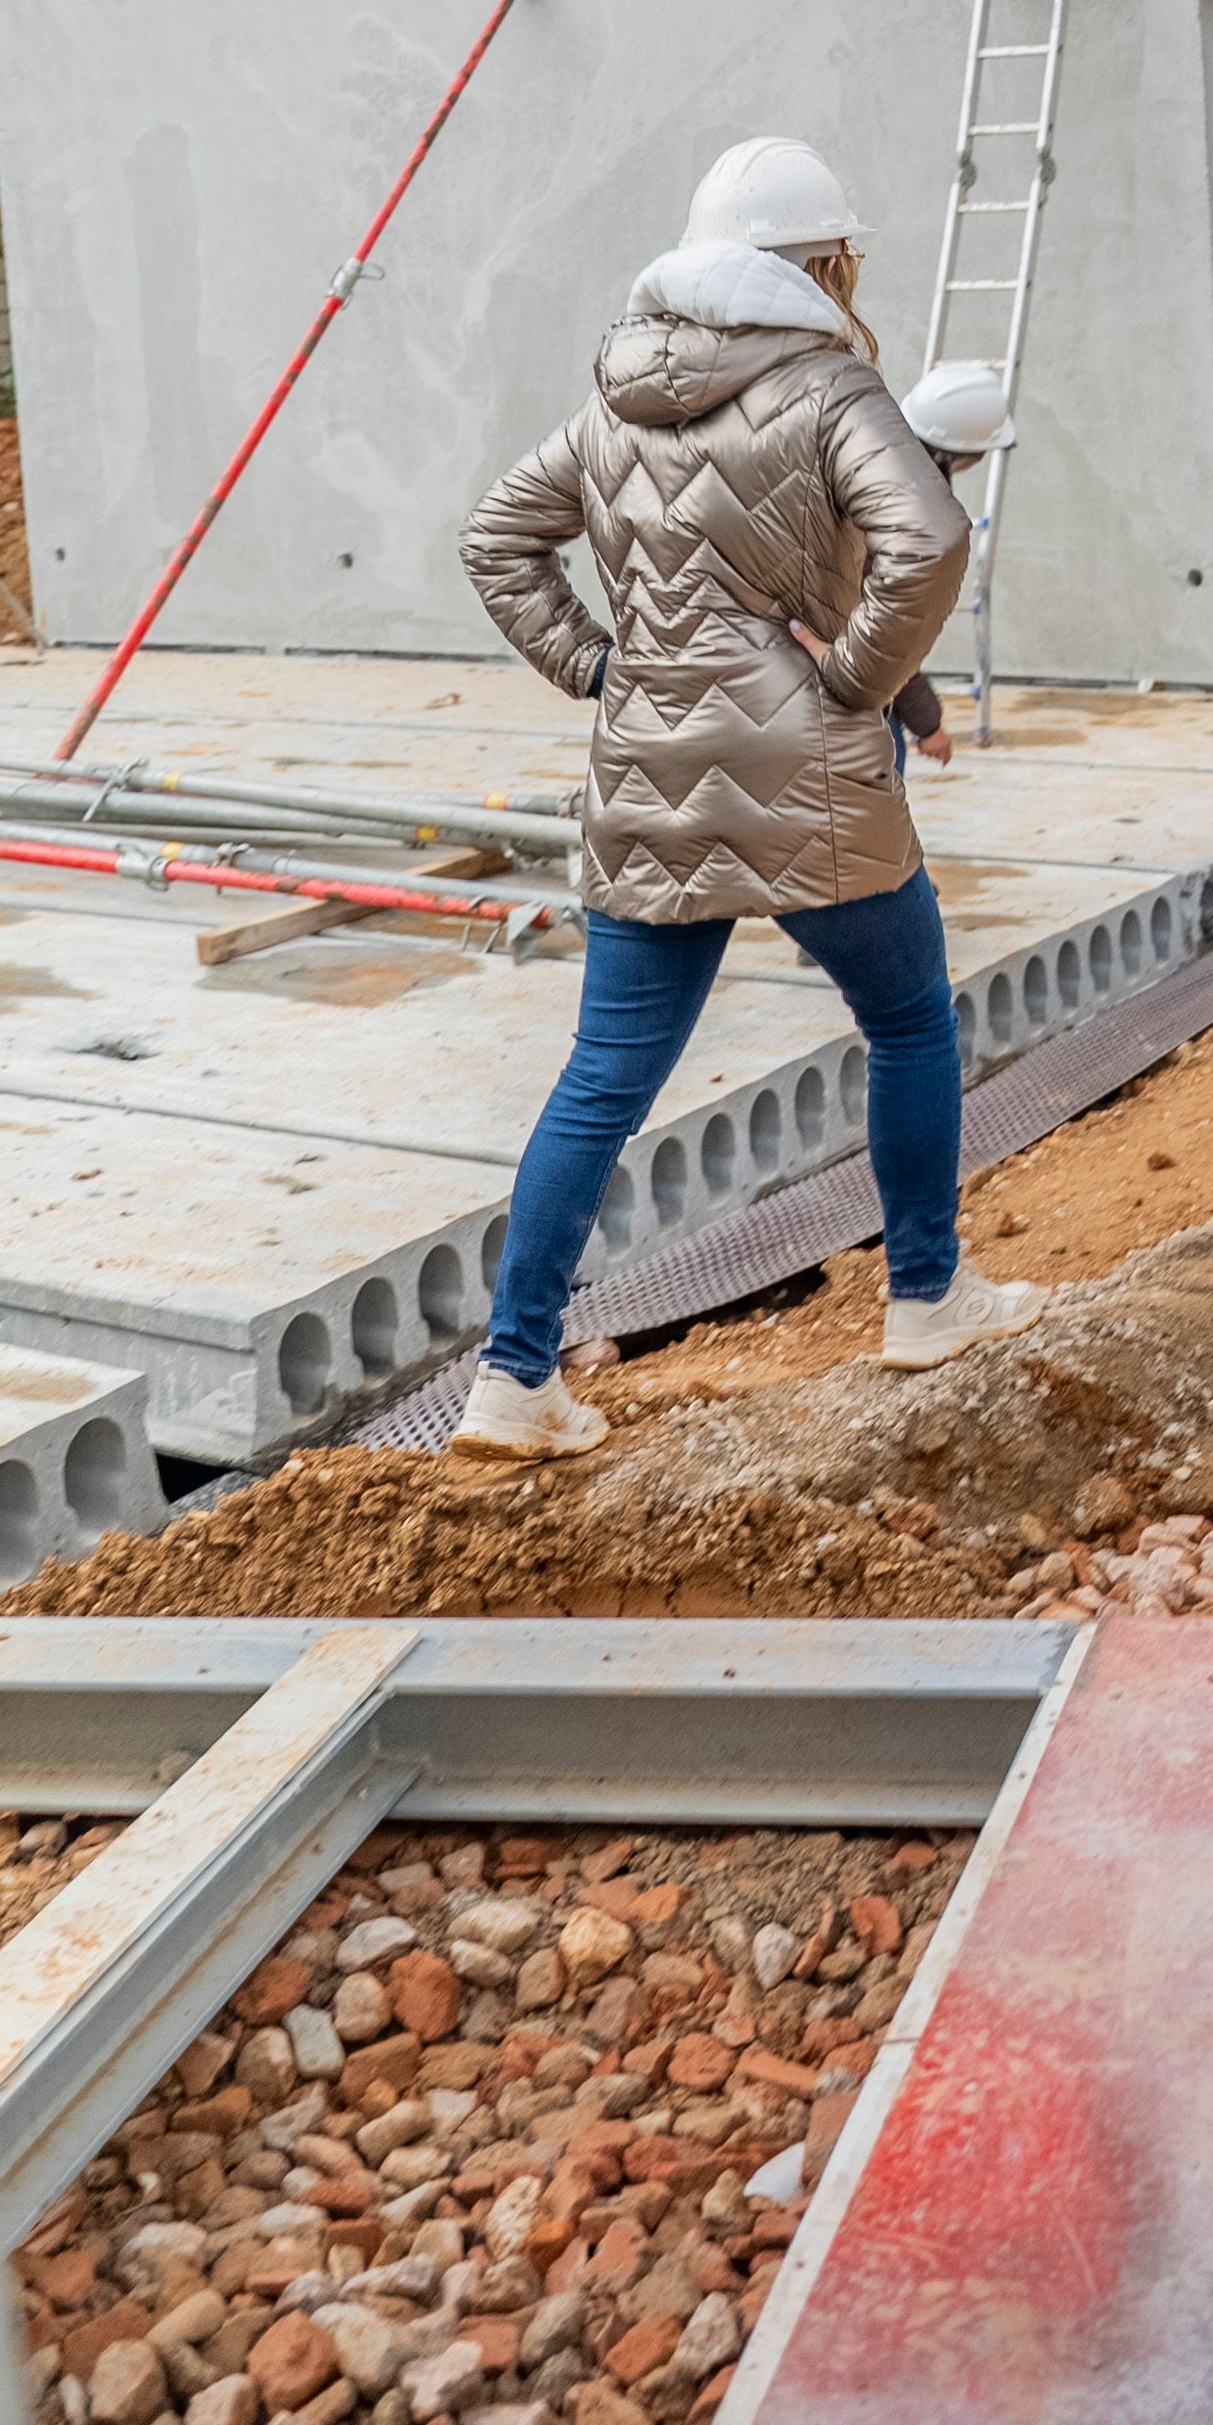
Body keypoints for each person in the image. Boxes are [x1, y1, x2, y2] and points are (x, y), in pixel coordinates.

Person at [449, 137, 1045, 1459]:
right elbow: (931, 538)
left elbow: (499, 537)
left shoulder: (611, 403)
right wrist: (857, 677)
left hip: (646, 784)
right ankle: (928, 1299)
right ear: (823, 265)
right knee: (905, 1025)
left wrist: (599, 666)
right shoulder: (835, 390)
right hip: (816, 777)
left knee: (601, 1078)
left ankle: (513, 1379)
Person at [880, 359, 1018, 771]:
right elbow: (886, 633)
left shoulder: (876, 452)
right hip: (855, 692)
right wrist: (927, 722)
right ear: (960, 452)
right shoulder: (907, 503)